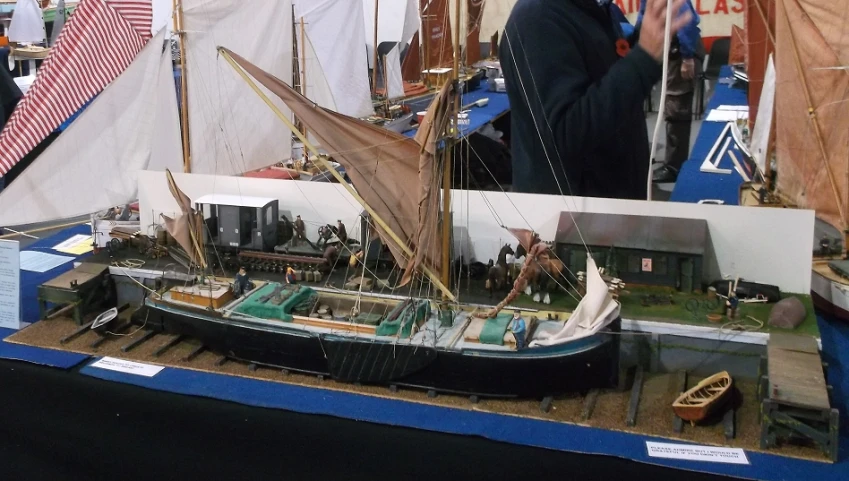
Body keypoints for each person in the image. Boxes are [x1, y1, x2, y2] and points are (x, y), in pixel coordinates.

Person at [500, 0, 691, 199]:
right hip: (574, 217)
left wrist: (646, 41)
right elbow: (567, 131)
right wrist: (643, 59)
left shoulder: (590, 10)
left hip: (608, 202)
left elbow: (604, 79)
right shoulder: (537, 19)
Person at [636, 0, 704, 183]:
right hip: (670, 52)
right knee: (670, 107)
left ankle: (675, 167)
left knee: (676, 108)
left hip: (680, 54)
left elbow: (686, 21)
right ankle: (671, 161)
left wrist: (688, 57)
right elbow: (644, 18)